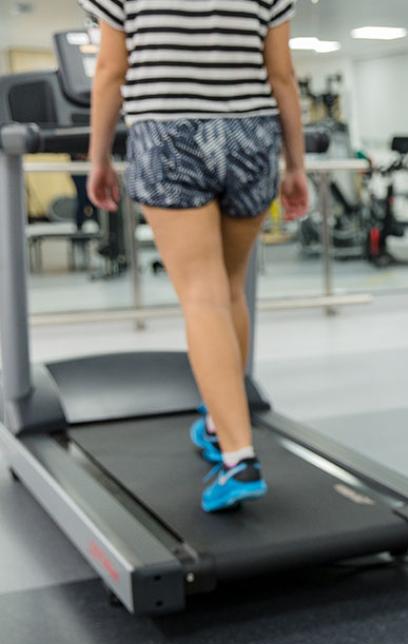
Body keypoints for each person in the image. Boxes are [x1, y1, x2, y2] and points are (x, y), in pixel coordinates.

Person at [82, 0, 309, 512]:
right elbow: (284, 76)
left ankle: (238, 456)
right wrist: (296, 164)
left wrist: (97, 159)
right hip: (250, 134)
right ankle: (216, 422)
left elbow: (110, 71)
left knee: (202, 297)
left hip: (166, 132)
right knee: (230, 290)